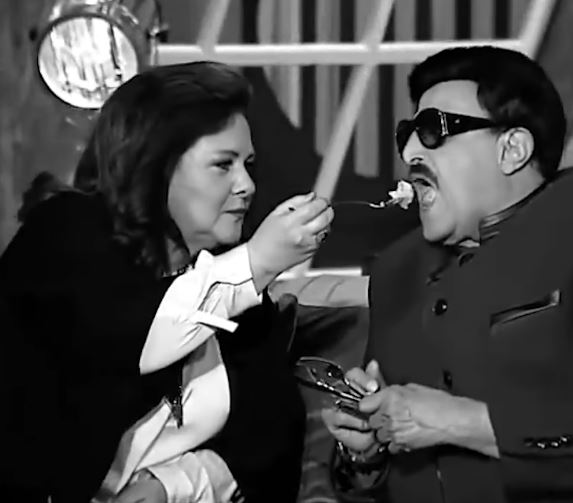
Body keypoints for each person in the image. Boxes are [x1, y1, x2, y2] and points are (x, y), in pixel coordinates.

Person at [0, 61, 334, 503]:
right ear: (156, 167)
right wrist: (256, 262)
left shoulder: (227, 282)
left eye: (248, 165)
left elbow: (272, 436)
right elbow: (131, 335)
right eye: (223, 165)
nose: (247, 185)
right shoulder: (62, 234)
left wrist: (173, 484)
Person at [322, 45, 573, 503]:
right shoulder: (396, 271)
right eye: (406, 134)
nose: (409, 152)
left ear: (512, 149)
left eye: (433, 130)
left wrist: (461, 423)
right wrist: (366, 455)